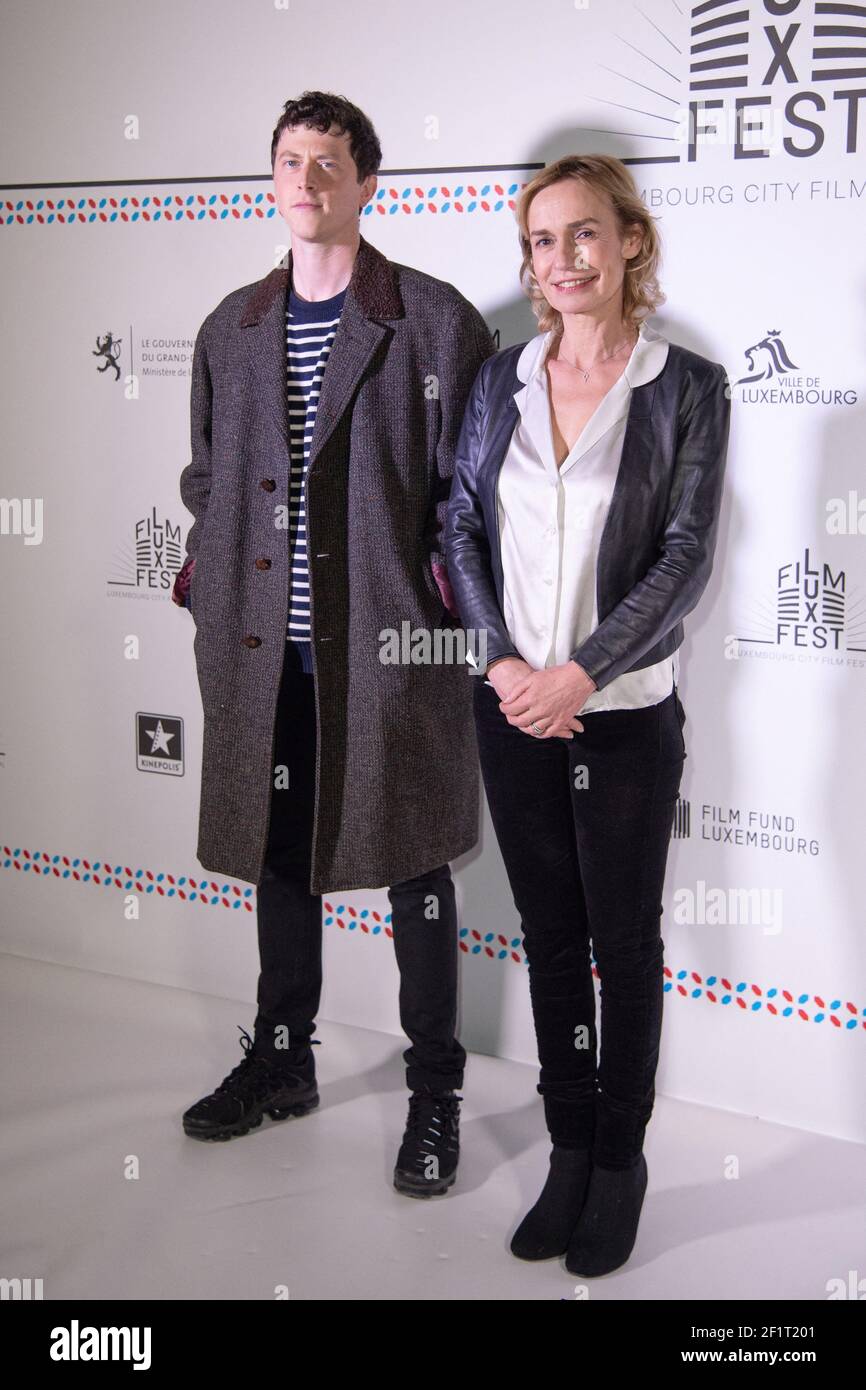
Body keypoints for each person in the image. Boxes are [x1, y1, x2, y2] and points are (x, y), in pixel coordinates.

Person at [172, 92, 495, 1197]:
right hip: (266, 653)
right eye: (287, 160)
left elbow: (471, 494)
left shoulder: (435, 321)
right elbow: (208, 475)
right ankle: (280, 1060)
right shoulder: (232, 326)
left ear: (368, 184)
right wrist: (214, 574)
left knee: (413, 863)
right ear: (271, 178)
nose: (305, 178)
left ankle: (435, 1093)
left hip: (390, 653)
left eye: (328, 161)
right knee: (275, 853)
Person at [444, 154, 730, 1274]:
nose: (557, 261)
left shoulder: (685, 387)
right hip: (510, 705)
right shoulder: (496, 379)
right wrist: (507, 664)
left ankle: (620, 1160)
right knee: (551, 943)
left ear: (627, 246)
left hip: (620, 714)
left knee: (622, 942)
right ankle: (567, 1148)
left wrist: (583, 671)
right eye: (538, 242)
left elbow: (682, 555)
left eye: (580, 236)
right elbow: (457, 526)